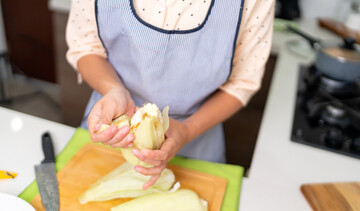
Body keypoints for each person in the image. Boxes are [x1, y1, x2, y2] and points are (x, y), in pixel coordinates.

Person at [66, 0, 275, 189]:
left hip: (197, 139)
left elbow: (242, 83)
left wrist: (187, 130)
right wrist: (114, 90)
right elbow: (86, 47)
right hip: (114, 130)